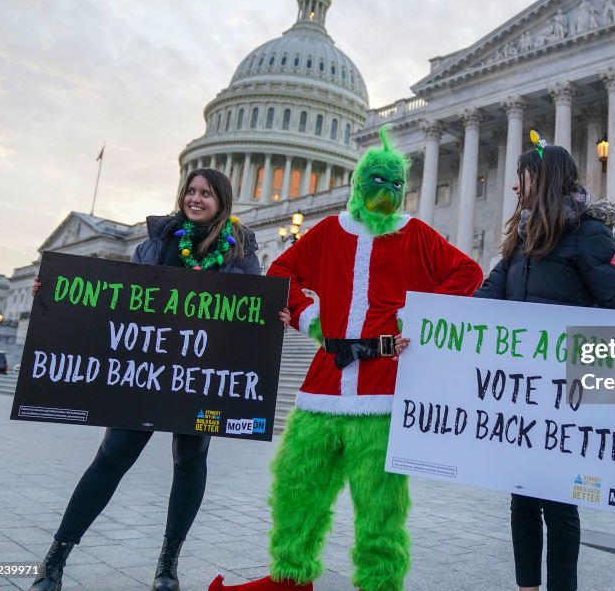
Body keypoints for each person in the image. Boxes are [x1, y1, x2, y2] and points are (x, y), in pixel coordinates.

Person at [209, 127, 483, 591]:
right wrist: (309, 317)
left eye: (397, 184)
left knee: (381, 503)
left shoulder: (416, 234)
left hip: (383, 387)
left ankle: (380, 583)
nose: (389, 191)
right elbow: (281, 270)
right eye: (379, 180)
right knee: (298, 482)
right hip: (324, 381)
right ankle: (290, 575)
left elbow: (468, 272)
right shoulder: (328, 233)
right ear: (360, 183)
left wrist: (413, 319)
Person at [30, 168, 280, 591]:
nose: (195, 199)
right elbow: (114, 300)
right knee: (111, 458)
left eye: (206, 194)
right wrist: (54, 292)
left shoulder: (240, 252)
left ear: (222, 201)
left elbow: (252, 307)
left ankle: (168, 564)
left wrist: (276, 317)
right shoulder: (156, 243)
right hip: (147, 372)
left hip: (203, 373)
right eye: (191, 191)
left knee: (190, 461)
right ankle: (55, 559)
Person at [473, 136, 615, 591]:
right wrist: (429, 325)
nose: (512, 187)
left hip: (569, 393)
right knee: (523, 500)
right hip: (523, 393)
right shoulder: (520, 238)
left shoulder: (589, 235)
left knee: (560, 504)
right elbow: (484, 302)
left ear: (542, 179)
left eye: (521, 177)